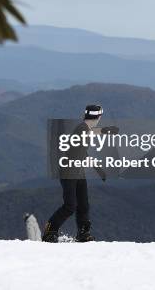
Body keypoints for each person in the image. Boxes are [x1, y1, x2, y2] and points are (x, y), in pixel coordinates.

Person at [42, 104, 118, 243]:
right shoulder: (81, 129)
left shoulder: (83, 127)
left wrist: (105, 131)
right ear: (99, 116)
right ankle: (49, 232)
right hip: (69, 172)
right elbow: (79, 153)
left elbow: (90, 133)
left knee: (83, 205)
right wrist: (97, 167)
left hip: (77, 172)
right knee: (70, 206)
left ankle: (83, 234)